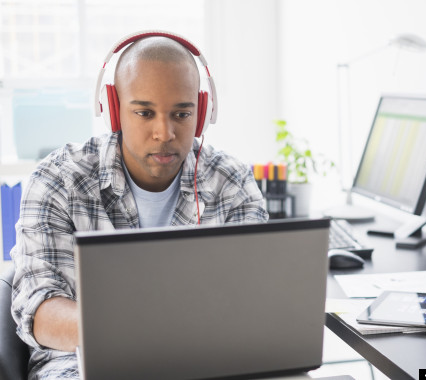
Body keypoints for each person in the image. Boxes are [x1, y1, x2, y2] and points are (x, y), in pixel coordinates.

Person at [10, 32, 268, 379]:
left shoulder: (229, 182)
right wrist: (149, 333)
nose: (164, 132)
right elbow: (40, 312)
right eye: (145, 112)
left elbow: (254, 299)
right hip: (80, 359)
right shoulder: (59, 180)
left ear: (202, 112)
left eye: (181, 114)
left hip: (205, 357)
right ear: (114, 111)